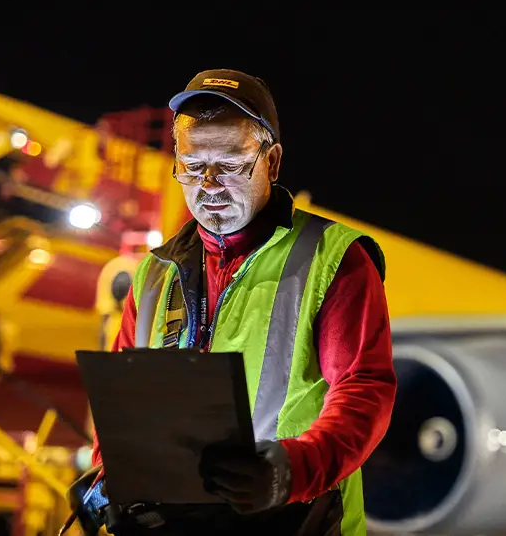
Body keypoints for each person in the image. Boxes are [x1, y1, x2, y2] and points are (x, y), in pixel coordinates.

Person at [80, 69, 397, 535]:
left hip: (296, 521)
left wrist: (290, 471)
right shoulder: (152, 275)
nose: (208, 185)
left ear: (271, 162)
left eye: (229, 166)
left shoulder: (333, 260)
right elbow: (124, 409)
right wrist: (109, 483)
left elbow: (364, 391)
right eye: (191, 166)